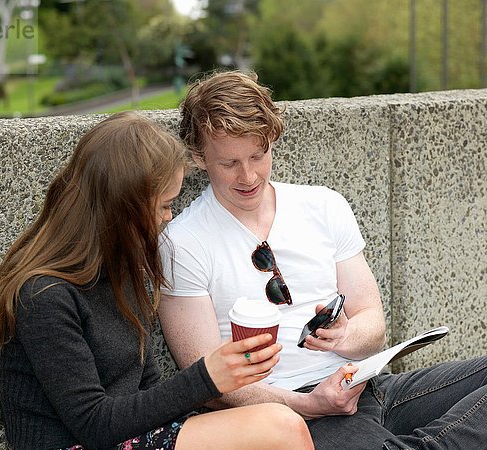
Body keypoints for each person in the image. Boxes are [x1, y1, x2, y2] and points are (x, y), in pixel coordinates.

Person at [158, 71, 487, 449]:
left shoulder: (322, 205)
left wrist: (347, 336)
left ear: (272, 141)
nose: (248, 176)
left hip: (365, 384)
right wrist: (310, 404)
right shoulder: (181, 242)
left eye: (257, 155)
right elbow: (206, 385)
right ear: (200, 157)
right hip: (290, 411)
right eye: (229, 163)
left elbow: (371, 321)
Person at [0, 111, 314, 450]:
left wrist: (223, 388)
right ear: (122, 207)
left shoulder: (122, 272)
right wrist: (207, 377)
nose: (169, 217)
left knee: (274, 426)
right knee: (280, 429)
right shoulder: (42, 295)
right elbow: (93, 424)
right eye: (164, 205)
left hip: (130, 437)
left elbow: (147, 390)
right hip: (78, 442)